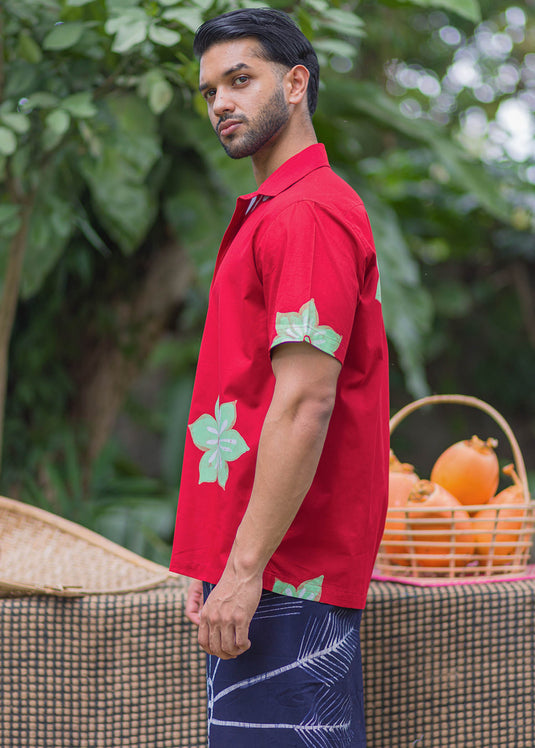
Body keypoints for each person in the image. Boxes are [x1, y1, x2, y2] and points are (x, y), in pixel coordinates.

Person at [170, 8, 389, 747]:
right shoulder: (277, 211)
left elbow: (304, 403)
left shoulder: (306, 216)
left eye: (239, 79)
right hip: (262, 572)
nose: (220, 103)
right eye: (208, 92)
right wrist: (216, 564)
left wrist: (242, 569)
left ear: (295, 84)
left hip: (283, 576)